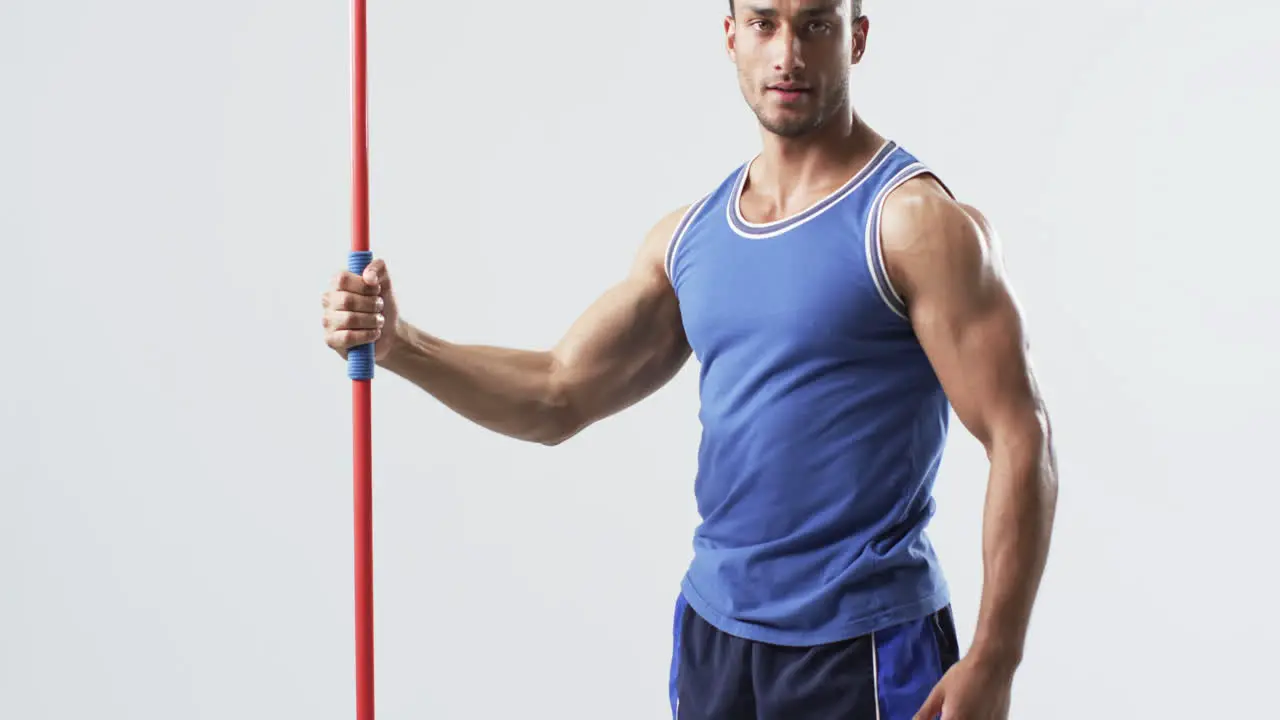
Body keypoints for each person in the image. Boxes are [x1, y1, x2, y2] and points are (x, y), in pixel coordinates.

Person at [321, 1, 1058, 717]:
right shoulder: (691, 239)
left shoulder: (912, 223)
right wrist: (399, 343)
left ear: (856, 39)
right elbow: (557, 393)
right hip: (717, 641)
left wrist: (995, 658)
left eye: (816, 25)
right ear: (731, 35)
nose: (788, 53)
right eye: (765, 23)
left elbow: (1020, 435)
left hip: (861, 647)